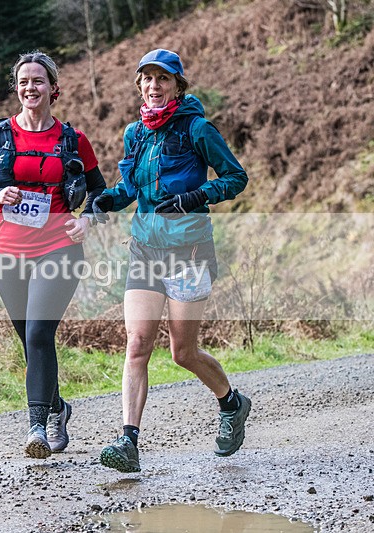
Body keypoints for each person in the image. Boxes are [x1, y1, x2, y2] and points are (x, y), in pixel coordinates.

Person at [92, 49, 251, 472]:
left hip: (189, 251)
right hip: (145, 247)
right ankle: (128, 443)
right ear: (140, 86)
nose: (154, 86)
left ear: (178, 85)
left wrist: (197, 196)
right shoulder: (135, 133)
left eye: (163, 79)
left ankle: (232, 404)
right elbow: (131, 185)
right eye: (147, 78)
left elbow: (236, 177)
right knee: (138, 343)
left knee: (183, 353)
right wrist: (106, 200)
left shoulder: (197, 129)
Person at [0, 51, 107, 458]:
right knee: (30, 341)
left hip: (59, 247)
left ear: (52, 88)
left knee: (40, 333)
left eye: (38, 81)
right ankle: (59, 408)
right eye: (23, 81)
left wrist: (88, 220)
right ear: (17, 88)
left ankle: (37, 428)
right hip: (8, 252)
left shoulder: (72, 140)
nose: (30, 88)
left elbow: (100, 191)